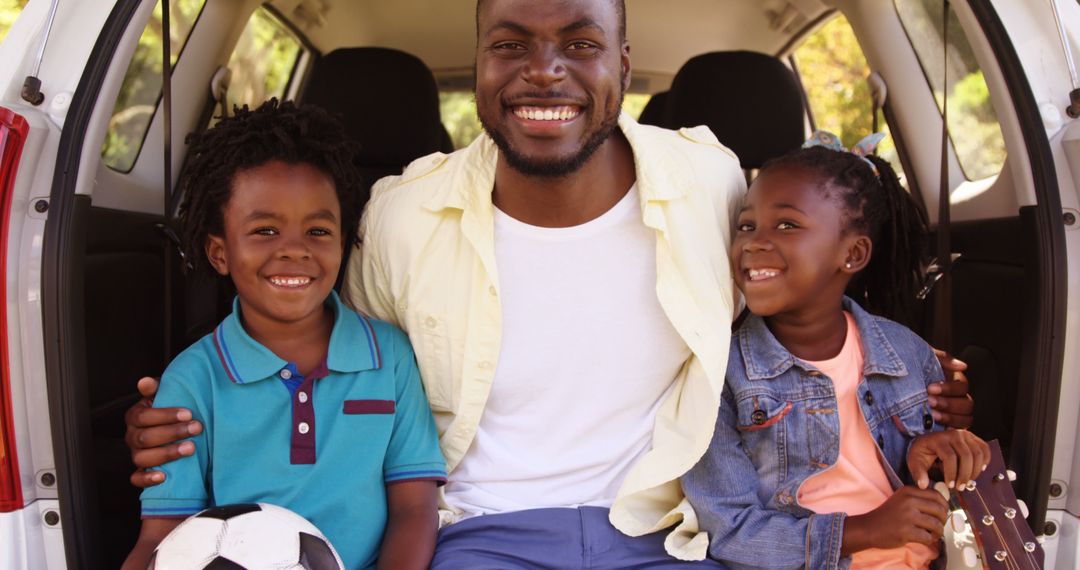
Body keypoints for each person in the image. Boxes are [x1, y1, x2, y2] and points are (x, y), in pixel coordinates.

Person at [124, 1, 974, 566]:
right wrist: (178, 428)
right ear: (482, 64)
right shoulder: (398, 217)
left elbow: (810, 322)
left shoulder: (716, 188)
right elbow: (327, 360)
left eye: (579, 43)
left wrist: (923, 392)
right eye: (510, 45)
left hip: (665, 530)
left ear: (622, 63)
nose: (544, 70)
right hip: (475, 537)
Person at [120, 100, 446, 570]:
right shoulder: (193, 379)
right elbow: (162, 535)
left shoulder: (389, 356)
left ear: (343, 241)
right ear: (219, 253)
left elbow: (415, 510)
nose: (294, 250)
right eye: (265, 230)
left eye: (317, 230)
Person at [682, 134, 991, 569]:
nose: (753, 242)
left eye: (786, 225)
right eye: (746, 226)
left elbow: (930, 479)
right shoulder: (721, 375)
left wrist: (939, 455)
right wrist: (863, 530)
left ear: (853, 253)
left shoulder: (908, 353)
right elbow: (729, 533)